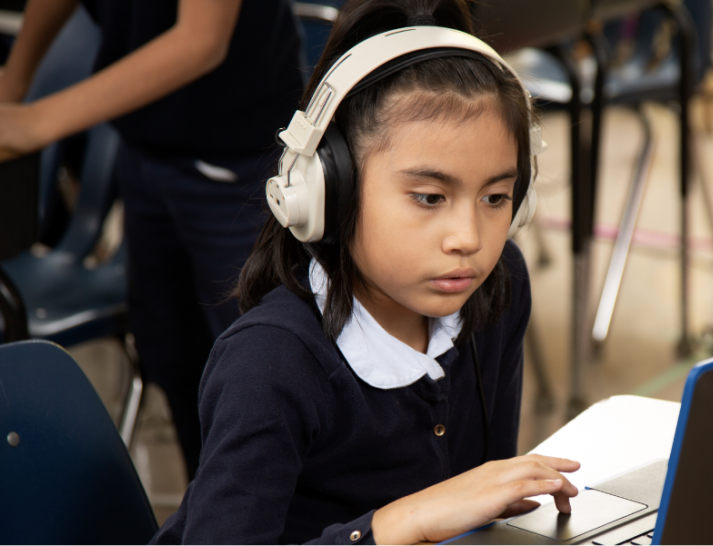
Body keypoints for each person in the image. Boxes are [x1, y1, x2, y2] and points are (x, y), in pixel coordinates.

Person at [147, 0, 580, 544]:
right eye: (429, 197)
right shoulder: (271, 364)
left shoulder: (498, 286)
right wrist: (397, 524)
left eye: (496, 197)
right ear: (330, 190)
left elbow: (478, 520)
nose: (468, 238)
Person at [0, 0, 304, 479]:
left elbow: (200, 40)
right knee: (175, 358)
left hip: (236, 153)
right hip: (147, 145)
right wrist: (17, 74)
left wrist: (36, 122)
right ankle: (216, 507)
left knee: (263, 381)